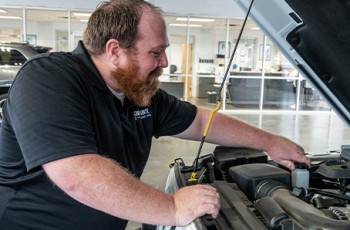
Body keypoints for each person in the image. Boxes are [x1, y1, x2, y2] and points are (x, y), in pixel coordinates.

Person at [0, 0, 310, 229]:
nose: (164, 62)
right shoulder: (49, 78)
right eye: (155, 52)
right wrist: (172, 208)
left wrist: (270, 141)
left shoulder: (136, 92)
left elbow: (201, 121)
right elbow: (76, 175)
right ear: (115, 51)